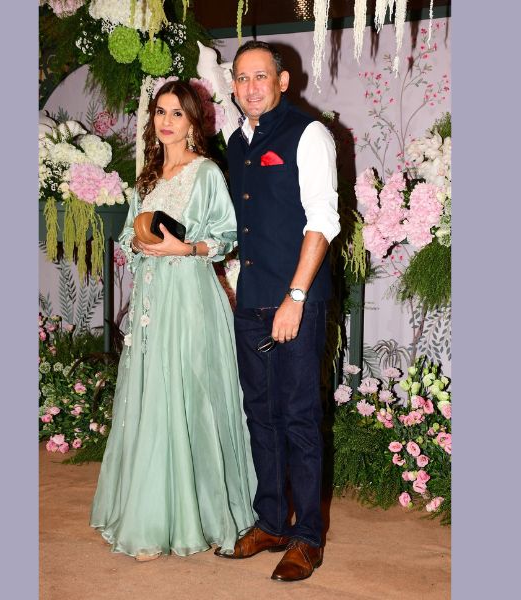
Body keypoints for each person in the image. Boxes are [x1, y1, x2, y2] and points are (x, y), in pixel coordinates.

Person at [90, 80, 256, 561]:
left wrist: (186, 248)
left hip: (190, 297)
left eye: (177, 113)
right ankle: (150, 516)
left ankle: (202, 513)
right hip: (151, 300)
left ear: (192, 123)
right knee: (152, 396)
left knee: (190, 396)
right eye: (160, 112)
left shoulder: (206, 173)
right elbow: (128, 236)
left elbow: (228, 235)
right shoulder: (147, 177)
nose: (166, 121)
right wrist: (138, 242)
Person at [215, 41, 340, 582]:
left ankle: (307, 536)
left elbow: (323, 222)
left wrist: (295, 298)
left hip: (295, 301)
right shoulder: (235, 140)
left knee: (299, 419)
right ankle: (270, 521)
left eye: (260, 76)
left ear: (282, 81)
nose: (250, 87)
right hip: (251, 299)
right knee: (259, 415)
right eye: (241, 78)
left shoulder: (309, 134)